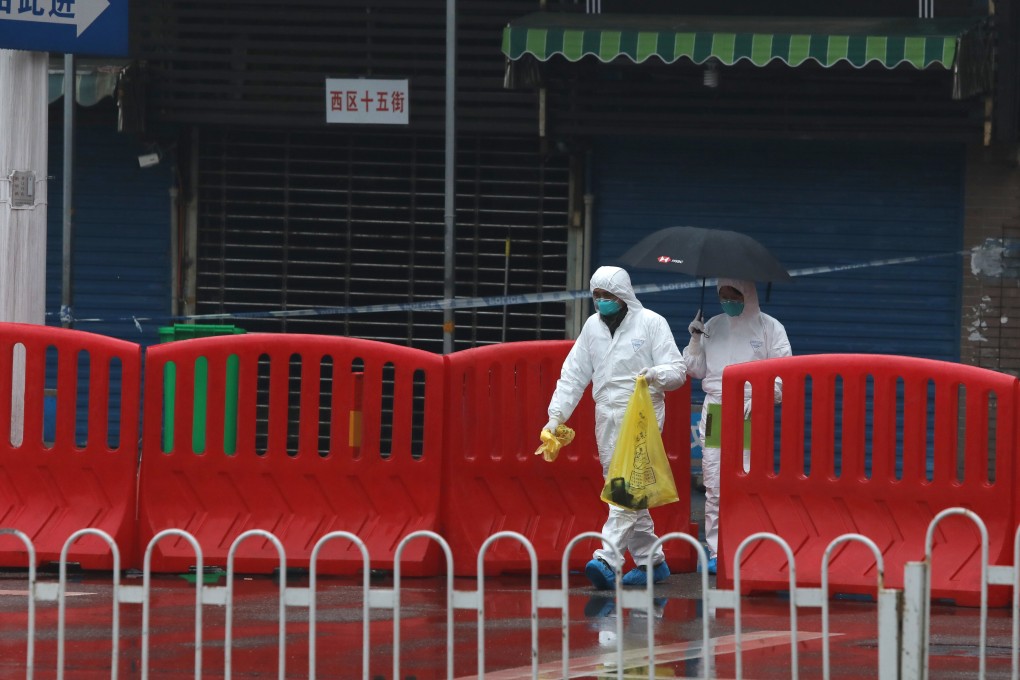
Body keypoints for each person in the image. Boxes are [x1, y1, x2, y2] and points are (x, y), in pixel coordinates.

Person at [542, 265, 687, 590]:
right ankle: (653, 562)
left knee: (626, 487)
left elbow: (677, 370)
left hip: (643, 417)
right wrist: (556, 416)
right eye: (597, 295)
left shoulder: (651, 324)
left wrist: (654, 375)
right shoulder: (592, 327)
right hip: (606, 418)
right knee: (620, 485)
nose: (602, 301)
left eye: (608, 295)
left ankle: (607, 560)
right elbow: (574, 373)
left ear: (623, 295)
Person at [684, 278, 791, 575]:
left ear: (748, 294)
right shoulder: (713, 326)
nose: (728, 300)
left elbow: (784, 374)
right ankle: (716, 551)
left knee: (748, 483)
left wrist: (763, 395)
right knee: (715, 484)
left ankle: (748, 549)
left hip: (749, 411)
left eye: (734, 295)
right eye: (723, 295)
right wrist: (694, 339)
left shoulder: (770, 328)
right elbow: (695, 370)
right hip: (717, 410)